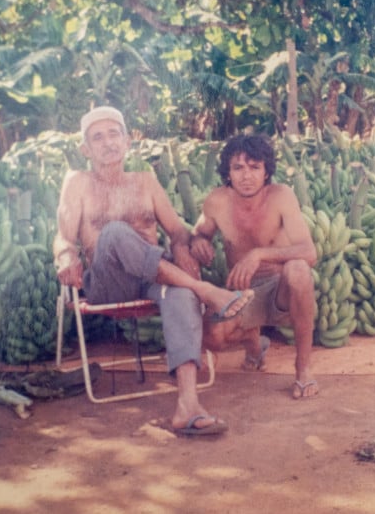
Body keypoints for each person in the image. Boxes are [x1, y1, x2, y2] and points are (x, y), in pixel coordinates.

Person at [54, 106, 254, 435]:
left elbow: (177, 230)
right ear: (85, 149)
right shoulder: (77, 183)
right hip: (108, 283)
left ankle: (187, 406)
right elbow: (62, 236)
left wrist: (185, 246)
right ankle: (205, 291)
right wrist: (65, 257)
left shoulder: (145, 181)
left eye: (114, 134)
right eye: (97, 137)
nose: (107, 143)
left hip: (152, 280)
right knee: (116, 232)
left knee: (179, 294)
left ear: (128, 141)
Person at [189, 134, 320, 399]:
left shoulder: (282, 196)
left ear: (266, 170)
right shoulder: (217, 202)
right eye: (238, 168)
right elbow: (199, 232)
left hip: (280, 289)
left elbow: (309, 252)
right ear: (228, 171)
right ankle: (254, 345)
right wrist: (199, 241)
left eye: (254, 167)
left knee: (299, 270)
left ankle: (303, 369)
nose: (246, 175)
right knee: (211, 337)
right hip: (243, 294)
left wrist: (259, 254)